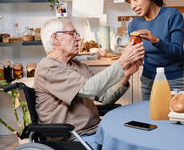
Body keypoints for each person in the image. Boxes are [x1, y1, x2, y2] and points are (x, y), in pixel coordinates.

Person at [34, 19, 145, 149]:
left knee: (136, 138)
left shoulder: (79, 66)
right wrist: (122, 61)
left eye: (77, 34)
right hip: (72, 136)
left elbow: (106, 98)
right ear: (55, 38)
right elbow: (88, 89)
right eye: (72, 34)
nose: (79, 39)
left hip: (96, 130)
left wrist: (126, 74)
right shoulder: (48, 68)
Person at [124, 0, 184, 101]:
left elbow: (178, 52)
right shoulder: (134, 25)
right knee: (150, 117)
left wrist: (156, 40)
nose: (133, 6)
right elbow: (137, 55)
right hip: (149, 80)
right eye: (130, 1)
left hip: (175, 81)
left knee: (175, 116)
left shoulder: (172, 16)